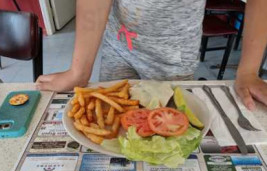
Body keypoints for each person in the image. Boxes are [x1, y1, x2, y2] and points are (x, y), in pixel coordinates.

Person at [36, 0, 267, 111]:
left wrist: (247, 72)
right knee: (110, 119)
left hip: (174, 58)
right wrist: (79, 71)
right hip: (120, 47)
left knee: (163, 129)